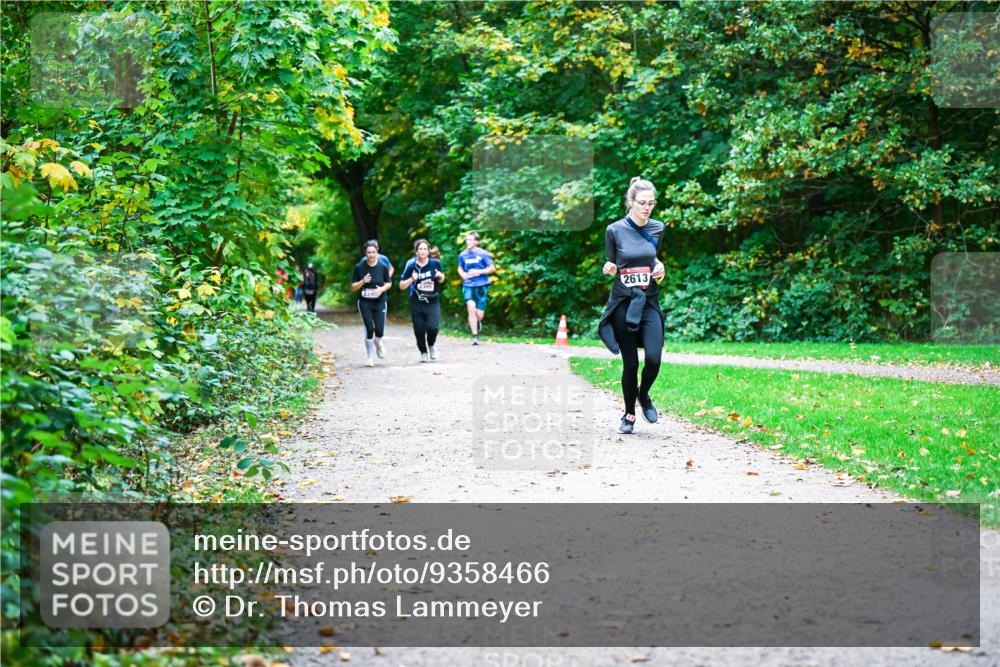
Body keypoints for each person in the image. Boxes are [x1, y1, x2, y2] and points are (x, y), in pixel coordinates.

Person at [597, 177, 666, 434]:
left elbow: (653, 259)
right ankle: (629, 414)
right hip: (624, 302)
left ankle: (644, 395)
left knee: (654, 358)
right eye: (642, 203)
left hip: (648, 301)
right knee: (631, 363)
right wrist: (610, 268)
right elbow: (613, 264)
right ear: (631, 202)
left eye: (651, 203)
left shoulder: (658, 228)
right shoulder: (614, 230)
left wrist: (660, 268)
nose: (647, 208)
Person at [398, 239, 445, 362]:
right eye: (420, 249)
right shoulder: (411, 265)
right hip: (417, 301)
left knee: (433, 327)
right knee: (419, 328)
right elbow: (401, 286)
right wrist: (412, 279)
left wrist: (440, 277)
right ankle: (423, 352)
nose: (423, 251)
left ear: (428, 251)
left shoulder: (435, 263)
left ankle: (431, 345)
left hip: (432, 300)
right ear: (416, 251)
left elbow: (441, 278)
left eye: (425, 249)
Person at [351, 242, 392, 367]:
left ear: (377, 252)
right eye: (369, 252)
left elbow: (389, 283)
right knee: (369, 329)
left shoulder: (383, 266)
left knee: (379, 331)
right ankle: (370, 357)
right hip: (365, 302)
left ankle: (378, 343)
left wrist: (381, 290)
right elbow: (353, 287)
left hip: (380, 302)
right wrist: (363, 281)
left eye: (373, 252)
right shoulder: (359, 267)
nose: (371, 255)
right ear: (365, 253)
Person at [457, 231, 495, 345]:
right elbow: (459, 268)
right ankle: (474, 336)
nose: (467, 242)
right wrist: (463, 274)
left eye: (470, 240)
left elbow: (492, 268)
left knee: (479, 315)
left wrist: (479, 272)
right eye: (466, 240)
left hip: (482, 285)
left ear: (476, 241)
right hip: (468, 285)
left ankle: (477, 322)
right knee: (470, 306)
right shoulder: (462, 255)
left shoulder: (484, 254)